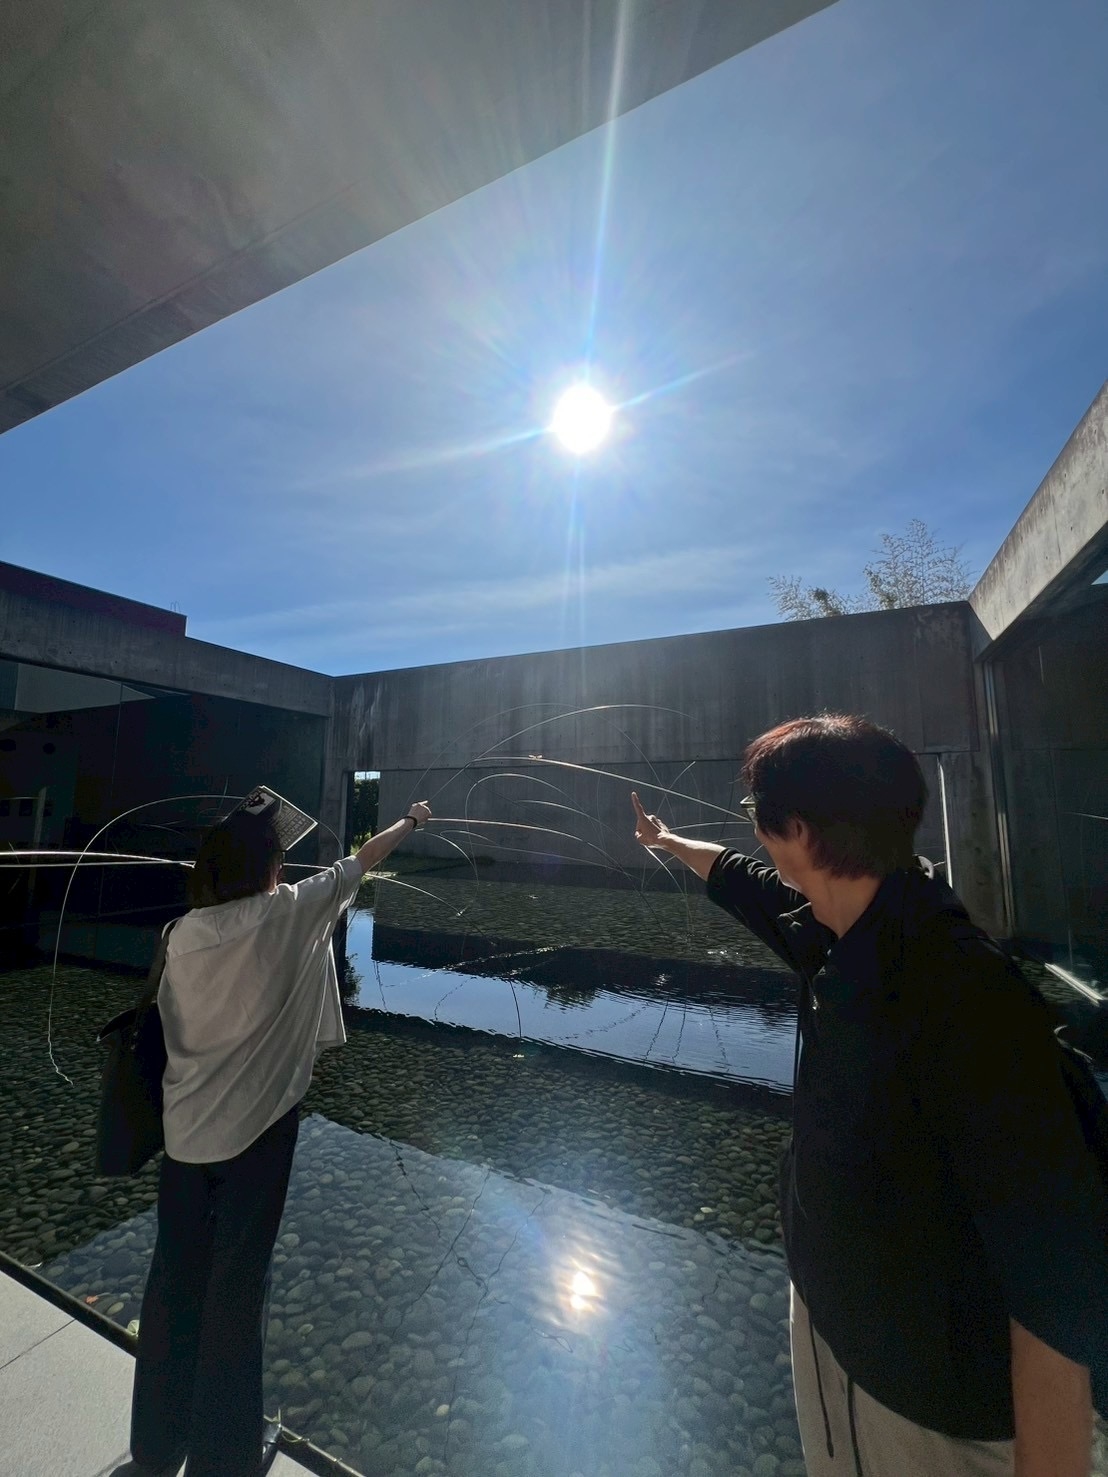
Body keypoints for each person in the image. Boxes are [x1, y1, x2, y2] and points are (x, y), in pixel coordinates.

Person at [631, 714, 1107, 1477]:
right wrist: (666, 841)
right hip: (846, 1338)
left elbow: (1057, 1282)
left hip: (923, 1407)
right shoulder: (837, 921)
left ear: (799, 831)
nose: (753, 831)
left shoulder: (963, 994)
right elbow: (735, 876)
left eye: (757, 813)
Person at [116, 793, 432, 1477]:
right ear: (268, 868)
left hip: (183, 1139)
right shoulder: (288, 912)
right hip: (256, 1141)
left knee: (172, 1287)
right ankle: (224, 1461)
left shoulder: (178, 933)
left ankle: (156, 1446)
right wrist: (412, 820)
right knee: (235, 1293)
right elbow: (364, 860)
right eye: (279, 860)